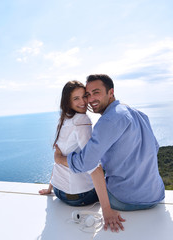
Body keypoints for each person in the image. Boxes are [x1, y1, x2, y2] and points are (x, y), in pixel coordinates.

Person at [54, 74, 165, 232]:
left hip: (124, 200)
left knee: (88, 186)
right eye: (88, 94)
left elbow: (87, 163)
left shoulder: (107, 121)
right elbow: (155, 147)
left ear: (110, 92)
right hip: (155, 195)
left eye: (96, 92)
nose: (90, 99)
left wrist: (60, 159)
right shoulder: (138, 113)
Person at [39, 80, 99, 206]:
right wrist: (107, 210)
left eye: (84, 96)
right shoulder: (82, 120)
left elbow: (58, 157)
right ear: (68, 101)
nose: (82, 102)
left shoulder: (65, 119)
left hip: (59, 191)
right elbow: (90, 161)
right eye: (76, 98)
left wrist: (50, 188)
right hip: (80, 195)